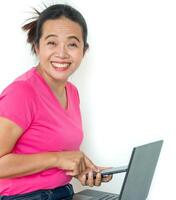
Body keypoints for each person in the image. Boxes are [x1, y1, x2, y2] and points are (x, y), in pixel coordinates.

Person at [0, 4, 112, 200]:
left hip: (62, 193)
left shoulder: (72, 92)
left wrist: (80, 169)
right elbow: (56, 157)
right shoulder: (22, 93)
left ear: (83, 51)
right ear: (37, 47)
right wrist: (58, 159)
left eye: (72, 44)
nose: (62, 53)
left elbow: (52, 152)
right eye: (52, 43)